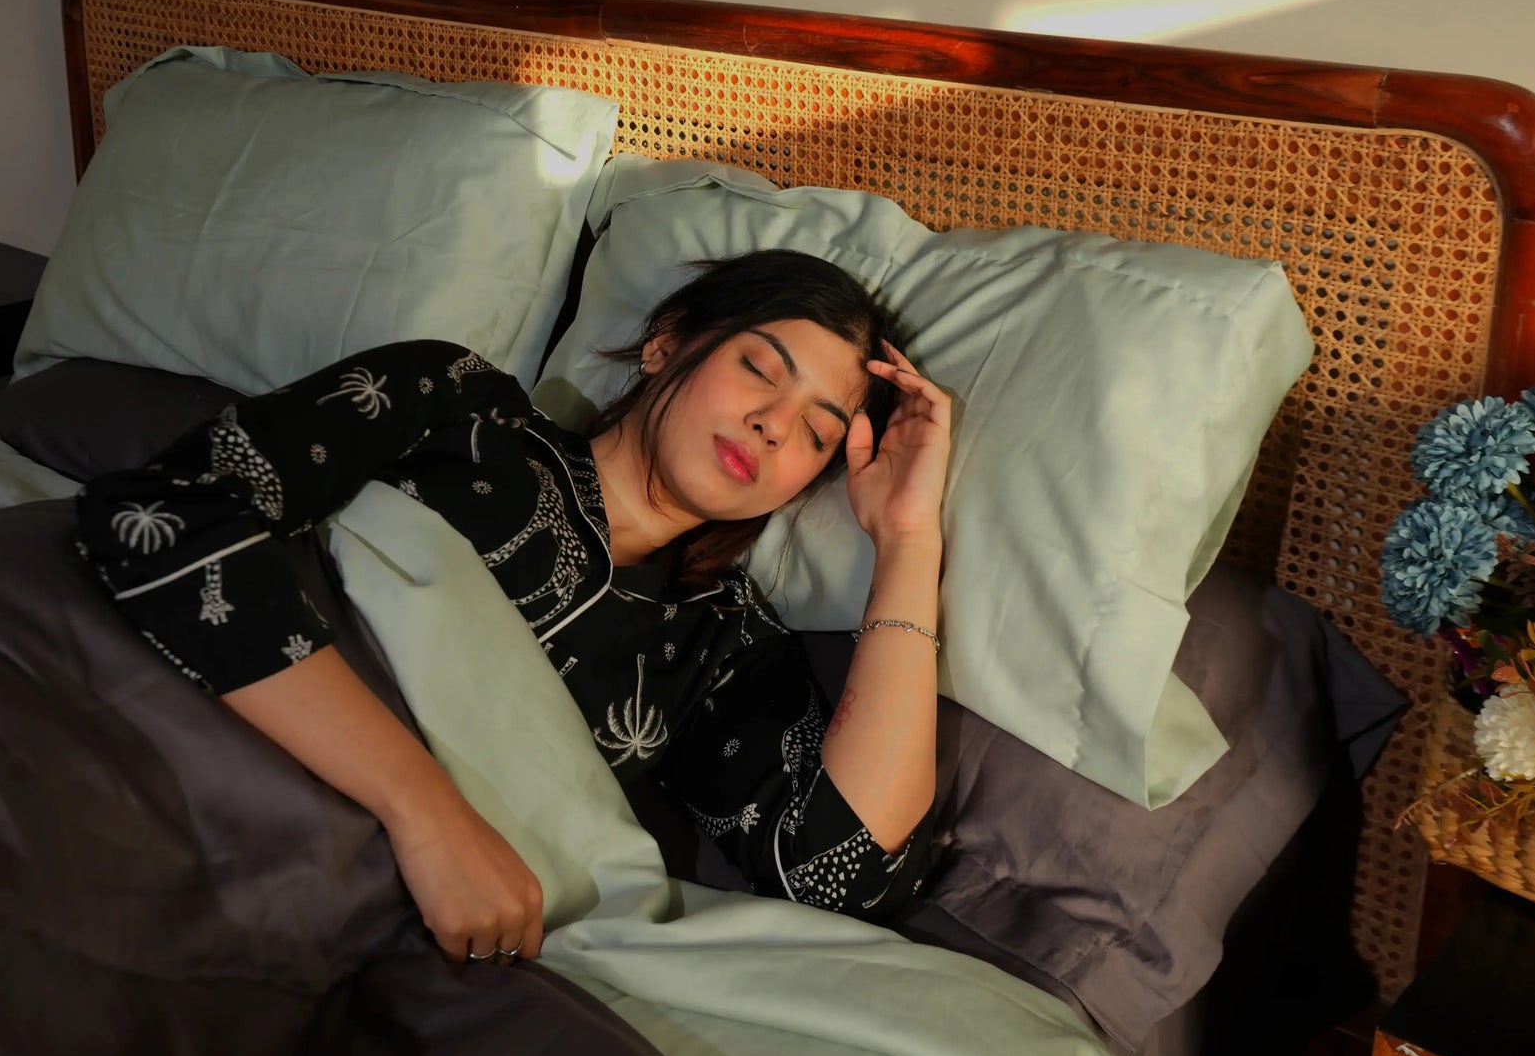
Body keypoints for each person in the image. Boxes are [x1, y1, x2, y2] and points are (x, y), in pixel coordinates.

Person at [74, 250, 952, 970]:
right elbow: (166, 515)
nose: (772, 422)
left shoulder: (718, 638)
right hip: (151, 743)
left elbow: (841, 873)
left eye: (816, 432)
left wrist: (908, 542)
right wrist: (425, 809)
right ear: (667, 342)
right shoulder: (458, 406)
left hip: (349, 920)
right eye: (759, 367)